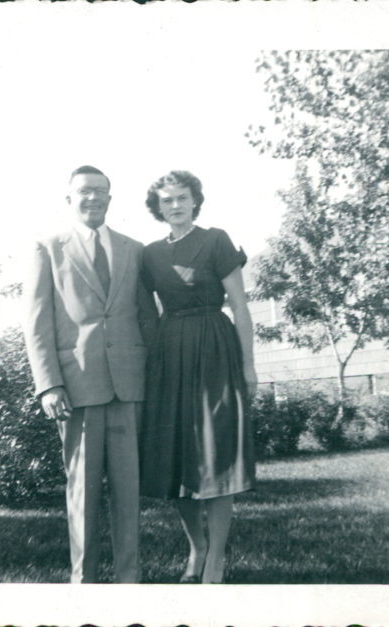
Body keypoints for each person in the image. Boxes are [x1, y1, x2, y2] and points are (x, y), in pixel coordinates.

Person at [22, 165, 156, 583]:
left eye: (101, 191)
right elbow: (36, 321)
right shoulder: (49, 248)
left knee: (128, 489)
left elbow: (147, 317)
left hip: (129, 384)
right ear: (69, 199)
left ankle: (128, 580)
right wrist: (49, 384)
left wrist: (155, 377)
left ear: (110, 199)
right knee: (82, 491)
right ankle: (84, 583)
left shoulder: (134, 249)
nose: (93, 198)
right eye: (84, 191)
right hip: (77, 387)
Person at [139, 170, 258, 584]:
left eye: (182, 197)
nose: (175, 205)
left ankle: (217, 558)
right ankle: (197, 548)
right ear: (157, 207)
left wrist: (248, 366)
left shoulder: (216, 240)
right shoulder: (149, 254)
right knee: (177, 460)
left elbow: (240, 307)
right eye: (167, 199)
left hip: (215, 349)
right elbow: (142, 311)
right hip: (169, 355)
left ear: (195, 200)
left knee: (216, 455)